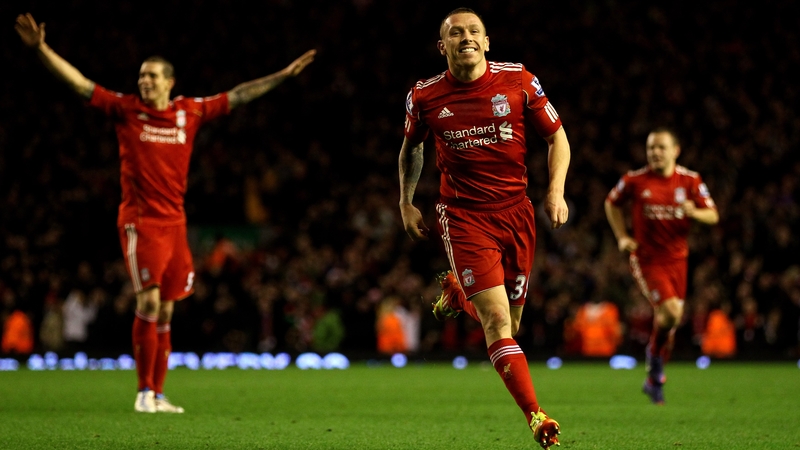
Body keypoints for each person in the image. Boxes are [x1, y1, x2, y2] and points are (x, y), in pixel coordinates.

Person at [15, 13, 315, 413]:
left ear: (170, 82)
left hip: (176, 224)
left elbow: (239, 95)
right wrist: (41, 50)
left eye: (153, 76)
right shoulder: (125, 110)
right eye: (142, 75)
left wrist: (282, 75)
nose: (145, 81)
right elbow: (80, 84)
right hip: (140, 222)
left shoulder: (189, 112)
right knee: (150, 302)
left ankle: (157, 393)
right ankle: (142, 392)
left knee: (169, 308)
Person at [398, 8, 569, 449]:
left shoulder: (519, 81)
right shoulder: (425, 95)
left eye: (474, 31)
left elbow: (557, 137)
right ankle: (537, 417)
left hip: (517, 214)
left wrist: (556, 191)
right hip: (463, 218)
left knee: (510, 323)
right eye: (456, 33)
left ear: (487, 41)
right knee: (496, 321)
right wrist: (406, 201)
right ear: (444, 47)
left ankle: (460, 294)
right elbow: (411, 149)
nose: (466, 38)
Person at [604, 127, 719, 404]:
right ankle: (654, 362)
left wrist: (695, 212)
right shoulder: (635, 180)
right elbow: (611, 203)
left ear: (675, 151)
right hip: (647, 260)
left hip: (678, 260)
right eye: (651, 148)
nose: (655, 153)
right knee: (669, 312)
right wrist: (622, 237)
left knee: (673, 318)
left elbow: (713, 215)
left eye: (661, 147)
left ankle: (654, 375)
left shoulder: (690, 181)